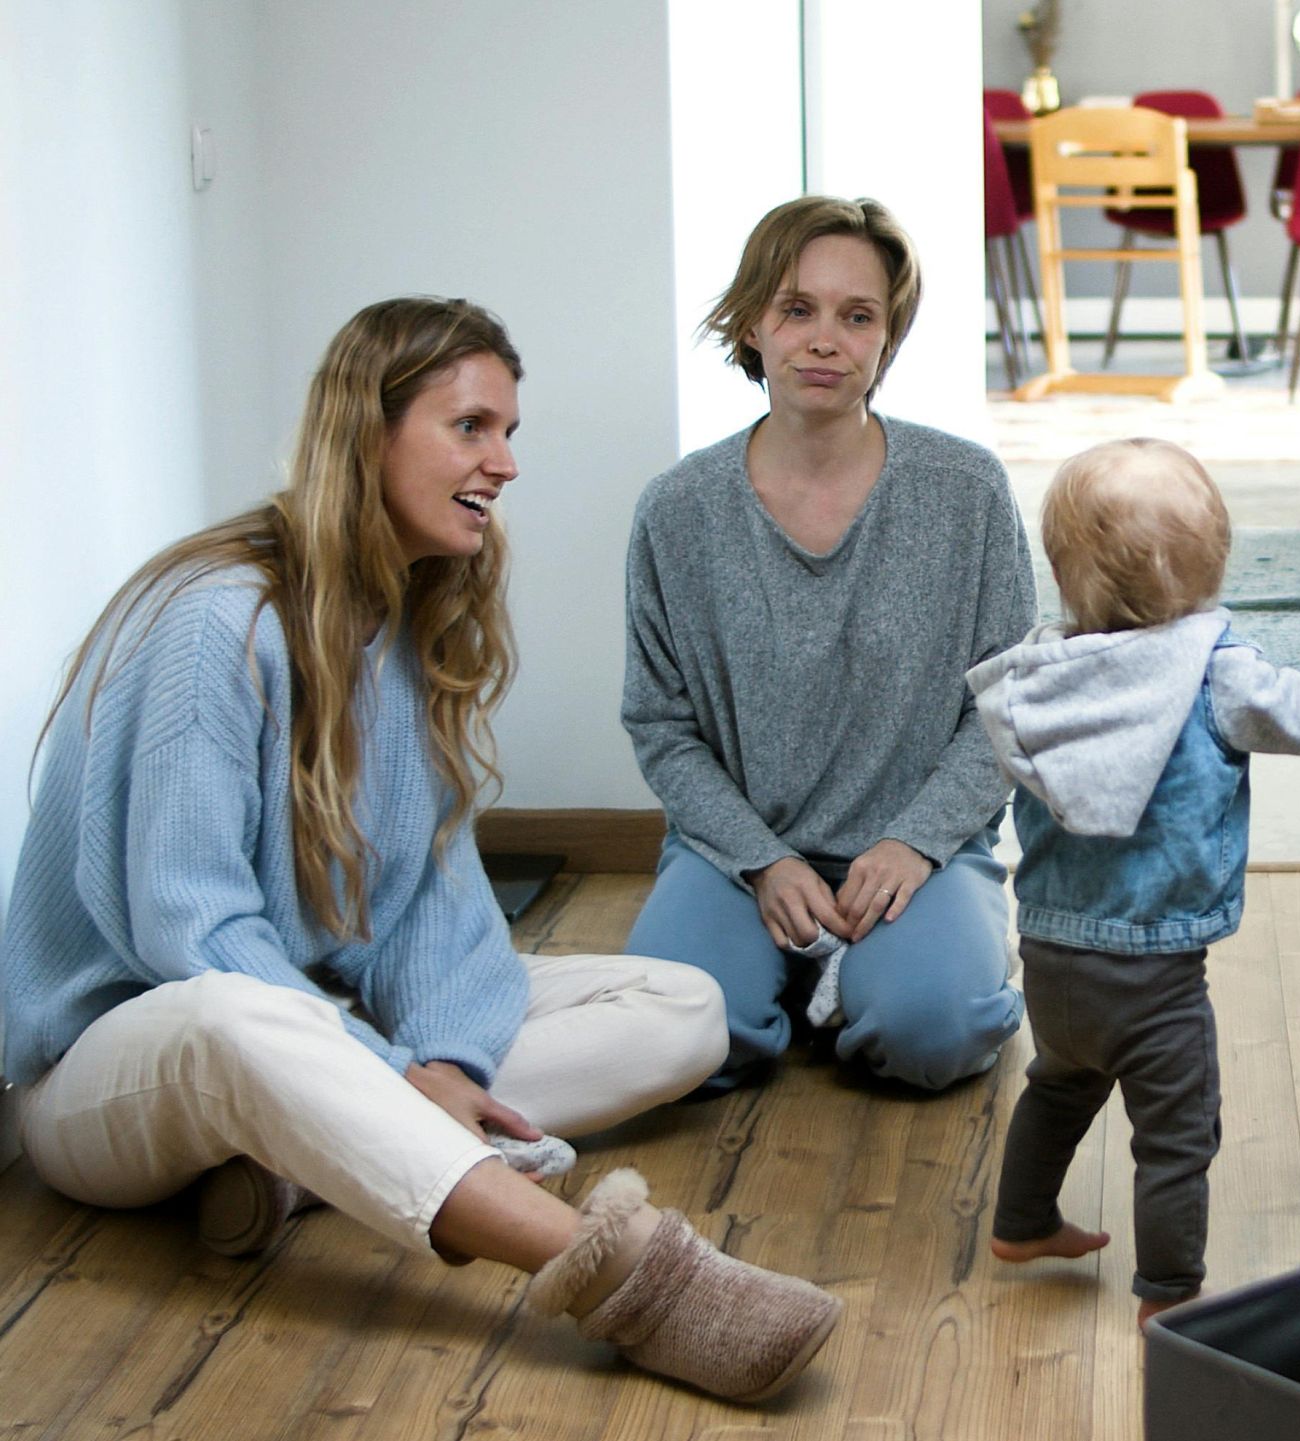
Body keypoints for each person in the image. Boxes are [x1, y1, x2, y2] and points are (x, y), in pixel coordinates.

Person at [0, 297, 839, 1403]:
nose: (506, 462)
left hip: (322, 1027)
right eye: (472, 428)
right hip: (121, 1064)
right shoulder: (218, 621)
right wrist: (397, 1071)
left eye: (509, 432)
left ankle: (302, 1165)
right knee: (239, 1014)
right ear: (368, 435)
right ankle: (618, 1270)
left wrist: (444, 1058)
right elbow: (187, 933)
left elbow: (439, 910)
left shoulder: (408, 621)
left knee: (680, 1006)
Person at [964, 438, 1300, 1328]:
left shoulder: (1042, 670)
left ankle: (1021, 1221)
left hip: (1052, 954)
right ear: (1210, 565)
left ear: (1067, 576)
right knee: (1179, 1138)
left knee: (1059, 1083)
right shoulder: (1217, 669)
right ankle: (1170, 1295)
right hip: (1157, 974)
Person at [622, 196, 1034, 1092]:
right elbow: (660, 723)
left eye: (858, 316)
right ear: (752, 323)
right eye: (796, 309)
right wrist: (760, 858)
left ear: (888, 339)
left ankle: (887, 979)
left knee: (934, 1032)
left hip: (915, 858)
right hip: (736, 856)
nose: (824, 339)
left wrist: (918, 842)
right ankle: (804, 982)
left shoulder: (967, 490)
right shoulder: (677, 510)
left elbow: (1006, 702)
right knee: (671, 1044)